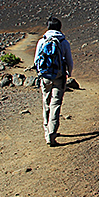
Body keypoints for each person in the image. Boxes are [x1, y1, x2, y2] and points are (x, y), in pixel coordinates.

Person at [34, 16, 74, 146]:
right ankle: (52, 134)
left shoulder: (42, 41)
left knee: (46, 102)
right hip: (59, 76)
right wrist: (68, 73)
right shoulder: (63, 42)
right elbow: (69, 61)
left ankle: (46, 130)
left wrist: (40, 73)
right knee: (55, 104)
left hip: (45, 76)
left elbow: (36, 61)